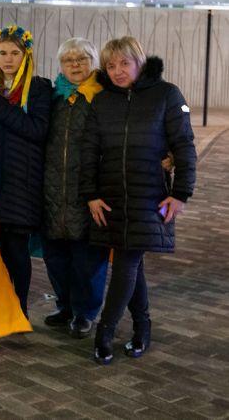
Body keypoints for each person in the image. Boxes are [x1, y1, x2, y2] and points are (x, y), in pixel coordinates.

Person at [80, 37, 196, 365]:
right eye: (111, 65)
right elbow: (88, 150)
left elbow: (184, 145)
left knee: (127, 260)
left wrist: (181, 193)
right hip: (112, 195)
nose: (117, 71)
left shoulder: (166, 95)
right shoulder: (102, 102)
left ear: (139, 62)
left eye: (124, 63)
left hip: (151, 194)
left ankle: (105, 330)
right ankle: (142, 327)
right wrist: (91, 194)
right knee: (132, 263)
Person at [0, 25, 52, 318]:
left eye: (15, 53)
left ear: (26, 55)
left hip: (22, 184)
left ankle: (19, 308)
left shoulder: (38, 88)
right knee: (0, 251)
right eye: (3, 53)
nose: (8, 59)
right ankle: (3, 304)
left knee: (17, 250)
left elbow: (36, 130)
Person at [42, 38, 109, 338]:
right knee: (56, 256)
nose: (75, 65)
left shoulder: (103, 98)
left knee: (87, 258)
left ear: (93, 62)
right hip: (54, 190)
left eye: (82, 59)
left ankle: (86, 312)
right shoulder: (53, 98)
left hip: (87, 192)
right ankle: (65, 305)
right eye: (69, 60)